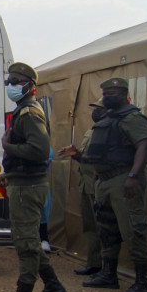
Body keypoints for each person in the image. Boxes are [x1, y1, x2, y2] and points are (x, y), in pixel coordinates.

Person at [0, 62, 67, 292]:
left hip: (28, 188)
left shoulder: (30, 113)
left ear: (30, 87)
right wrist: (10, 173)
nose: (11, 86)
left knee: (25, 244)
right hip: (23, 182)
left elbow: (38, 150)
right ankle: (54, 286)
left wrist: (8, 147)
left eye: (16, 81)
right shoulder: (23, 110)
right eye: (9, 81)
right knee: (30, 241)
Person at [80, 78, 147, 292]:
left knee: (132, 230)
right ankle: (108, 274)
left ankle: (142, 283)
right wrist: (96, 175)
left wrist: (133, 175)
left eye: (112, 92)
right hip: (104, 180)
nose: (107, 96)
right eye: (105, 93)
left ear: (124, 94)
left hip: (123, 179)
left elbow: (145, 145)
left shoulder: (133, 118)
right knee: (106, 230)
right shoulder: (108, 119)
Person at [57, 99, 107, 276]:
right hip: (86, 184)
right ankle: (94, 263)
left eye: (100, 109)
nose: (96, 112)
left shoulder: (110, 131)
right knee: (90, 226)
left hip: (100, 185)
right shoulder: (91, 131)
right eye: (95, 109)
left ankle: (107, 269)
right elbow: (88, 159)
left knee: (104, 227)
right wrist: (76, 154)